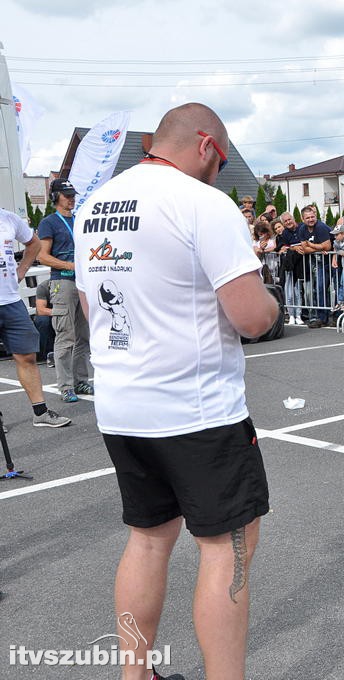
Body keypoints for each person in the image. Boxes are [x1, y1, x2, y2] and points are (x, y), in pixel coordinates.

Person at [73, 102, 278, 680]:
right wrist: (272, 305)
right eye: (223, 157)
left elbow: (94, 311)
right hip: (197, 411)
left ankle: (135, 677)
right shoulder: (203, 203)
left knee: (147, 540)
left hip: (122, 406)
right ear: (208, 145)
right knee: (226, 550)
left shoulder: (95, 207)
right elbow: (251, 317)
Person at [0, 209, 70, 428]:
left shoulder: (8, 218)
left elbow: (34, 244)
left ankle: (40, 412)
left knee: (27, 356)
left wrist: (21, 270)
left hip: (10, 300)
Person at [37, 178, 92, 403]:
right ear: (55, 197)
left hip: (83, 283)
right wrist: (71, 265)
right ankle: (66, 386)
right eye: (66, 194)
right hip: (63, 282)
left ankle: (81, 381)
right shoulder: (49, 222)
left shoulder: (79, 220)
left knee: (83, 336)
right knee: (66, 336)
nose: (71, 198)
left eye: (72, 194)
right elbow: (42, 256)